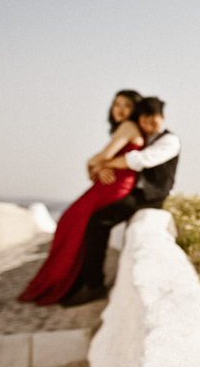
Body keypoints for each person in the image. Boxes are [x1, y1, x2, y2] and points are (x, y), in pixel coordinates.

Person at [18, 90, 145, 306]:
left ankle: (67, 281)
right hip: (112, 184)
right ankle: (73, 280)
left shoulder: (128, 126)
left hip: (115, 186)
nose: (120, 110)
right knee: (75, 224)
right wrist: (95, 165)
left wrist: (97, 163)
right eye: (116, 104)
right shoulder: (125, 127)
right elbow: (96, 165)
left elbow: (102, 157)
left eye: (127, 105)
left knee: (70, 221)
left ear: (135, 110)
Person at [60, 96, 180, 307]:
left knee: (98, 222)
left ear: (163, 118)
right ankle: (83, 279)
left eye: (156, 118)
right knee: (91, 220)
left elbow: (139, 161)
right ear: (139, 118)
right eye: (145, 117)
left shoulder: (170, 141)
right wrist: (103, 167)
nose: (151, 122)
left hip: (149, 198)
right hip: (134, 194)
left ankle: (93, 283)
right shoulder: (142, 136)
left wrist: (102, 163)